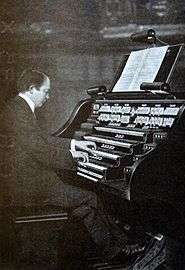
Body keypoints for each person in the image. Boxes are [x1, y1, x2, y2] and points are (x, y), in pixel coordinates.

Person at [0, 69, 148, 266]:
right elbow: (39, 149)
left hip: (28, 178)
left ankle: (121, 241)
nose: (48, 96)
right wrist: (75, 158)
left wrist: (74, 144)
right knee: (89, 198)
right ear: (32, 89)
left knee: (89, 193)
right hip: (28, 185)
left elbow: (41, 139)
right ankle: (116, 250)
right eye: (45, 91)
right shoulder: (18, 111)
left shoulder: (17, 107)